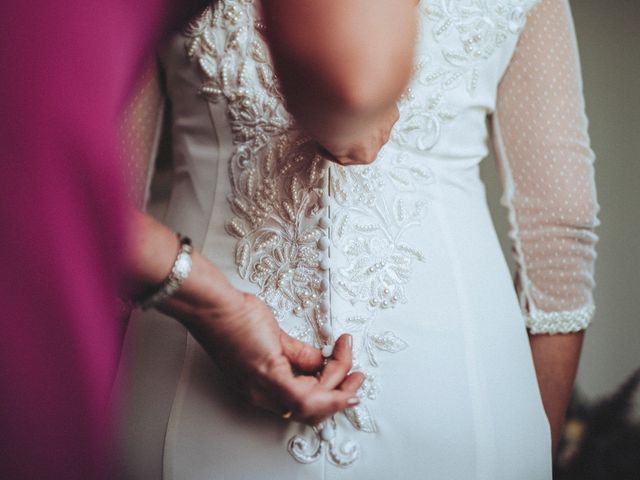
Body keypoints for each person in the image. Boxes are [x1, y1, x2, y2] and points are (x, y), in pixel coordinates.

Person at [118, 0, 599, 478]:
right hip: (459, 400)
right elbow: (559, 223)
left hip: (192, 392)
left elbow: (98, 199)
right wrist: (529, 445)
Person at [0, 1, 416, 478]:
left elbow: (78, 172)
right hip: (179, 380)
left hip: (451, 371)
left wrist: (211, 301)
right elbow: (350, 84)